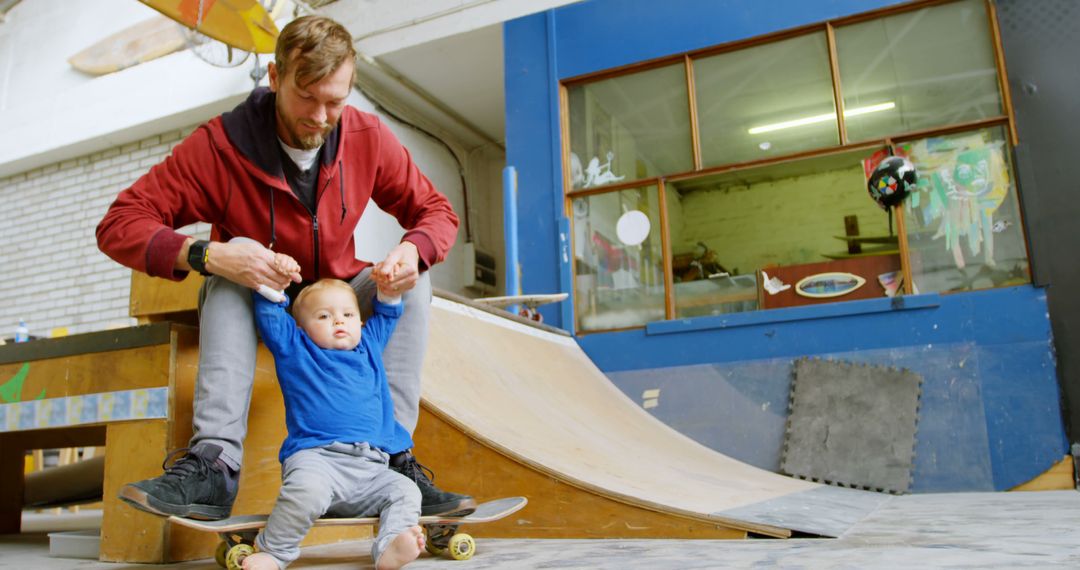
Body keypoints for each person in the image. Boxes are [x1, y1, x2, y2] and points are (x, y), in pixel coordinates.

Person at [95, 15, 474, 520]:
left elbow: (436, 212)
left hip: (338, 295)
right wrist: (207, 255)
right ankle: (214, 466)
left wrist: (414, 251)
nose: (320, 116)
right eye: (306, 96)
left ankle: (392, 458)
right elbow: (119, 224)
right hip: (262, 299)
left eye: (335, 101)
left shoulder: (367, 136)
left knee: (415, 281)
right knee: (224, 283)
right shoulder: (218, 146)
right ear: (274, 78)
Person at [244, 267, 424, 570]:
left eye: (348, 315)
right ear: (301, 327)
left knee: (406, 490)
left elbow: (389, 314)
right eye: (324, 316)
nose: (339, 320)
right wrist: (273, 284)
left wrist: (389, 291)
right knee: (305, 493)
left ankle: (390, 545)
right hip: (318, 461)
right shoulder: (296, 348)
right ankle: (275, 551)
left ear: (361, 322)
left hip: (371, 467)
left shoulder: (368, 345)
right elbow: (272, 317)